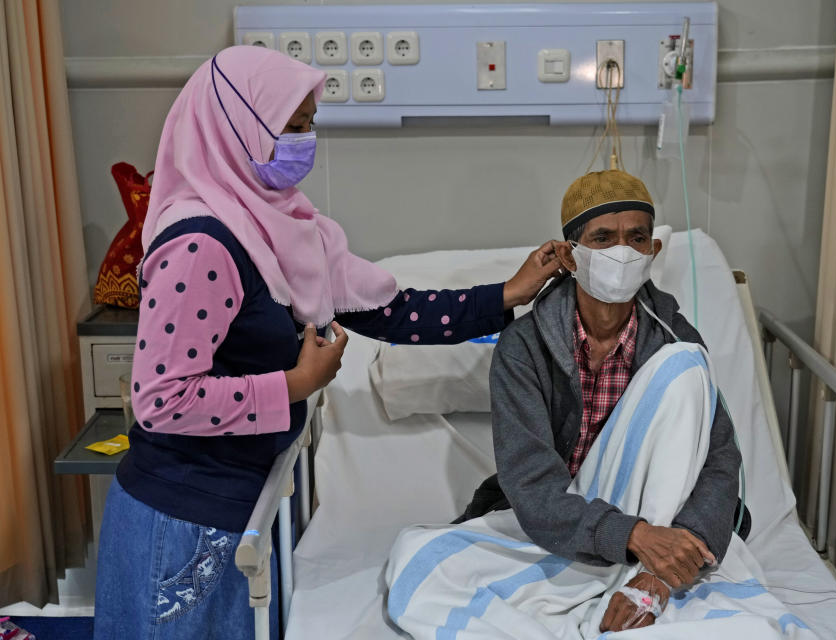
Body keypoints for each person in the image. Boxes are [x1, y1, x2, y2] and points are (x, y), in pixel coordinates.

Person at [93, 46, 560, 640]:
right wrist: (296, 384)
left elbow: (393, 313)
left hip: (243, 506)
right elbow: (162, 401)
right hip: (183, 521)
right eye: (291, 127)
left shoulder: (284, 224)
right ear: (239, 127)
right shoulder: (201, 245)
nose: (304, 143)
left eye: (310, 124)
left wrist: (507, 293)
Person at [385, 171, 787, 640]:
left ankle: (639, 581)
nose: (622, 252)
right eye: (602, 238)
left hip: (658, 520)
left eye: (636, 238)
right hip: (565, 524)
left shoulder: (678, 342)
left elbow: (719, 465)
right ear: (570, 255)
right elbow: (531, 483)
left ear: (653, 251)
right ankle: (611, 574)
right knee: (417, 556)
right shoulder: (523, 347)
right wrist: (631, 536)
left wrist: (656, 574)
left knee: (684, 365)